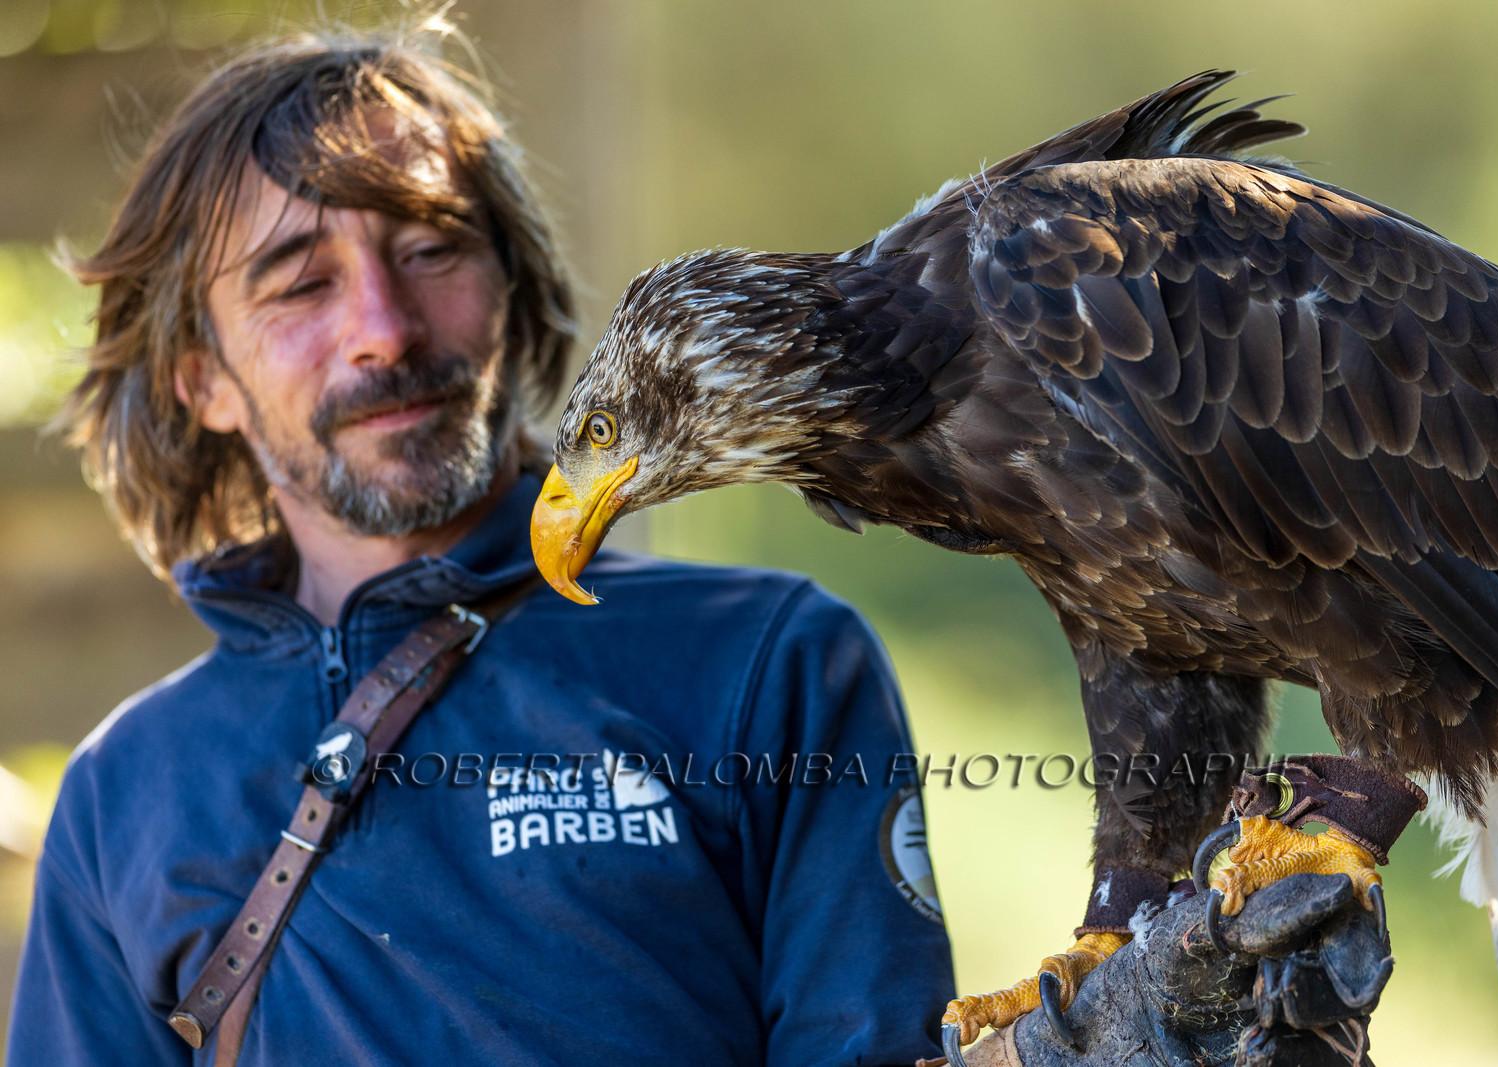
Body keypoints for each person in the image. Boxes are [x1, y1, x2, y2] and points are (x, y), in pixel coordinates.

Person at [6, 26, 955, 1066]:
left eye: (431, 249)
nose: (385, 326)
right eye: (299, 284)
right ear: (202, 377)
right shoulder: (123, 789)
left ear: (513, 281)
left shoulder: (768, 662)